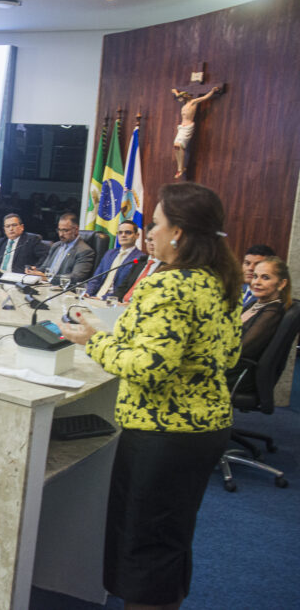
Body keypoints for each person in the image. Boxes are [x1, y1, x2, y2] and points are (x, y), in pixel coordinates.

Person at [58, 182, 241, 610]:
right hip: (205, 428)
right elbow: (225, 353)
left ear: (178, 231)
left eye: (155, 224)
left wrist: (91, 343)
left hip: (163, 433)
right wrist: (107, 329)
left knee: (144, 550)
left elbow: (149, 367)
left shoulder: (169, 285)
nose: (148, 233)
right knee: (169, 540)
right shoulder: (219, 279)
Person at [228, 257, 291, 395]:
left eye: (265, 278)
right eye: (255, 276)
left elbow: (243, 349)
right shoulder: (255, 304)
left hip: (237, 373)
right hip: (230, 364)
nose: (256, 282)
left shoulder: (272, 313)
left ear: (281, 283)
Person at [26, 212, 96, 284]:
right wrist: (34, 271)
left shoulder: (84, 251)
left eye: (65, 230)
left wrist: (48, 278)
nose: (61, 234)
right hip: (45, 285)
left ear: (76, 230)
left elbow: (76, 277)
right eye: (59, 230)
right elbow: (45, 267)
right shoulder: (56, 246)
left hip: (64, 290)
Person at [83, 221, 145, 298]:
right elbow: (96, 278)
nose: (123, 235)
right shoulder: (110, 253)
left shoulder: (140, 259)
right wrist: (87, 293)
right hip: (94, 297)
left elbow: (126, 289)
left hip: (113, 301)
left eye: (128, 232)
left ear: (137, 235)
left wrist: (102, 298)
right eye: (120, 232)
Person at [171, 85, 222, 179]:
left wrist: (212, 90)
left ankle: (180, 169)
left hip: (187, 128)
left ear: (185, 96)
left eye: (181, 98)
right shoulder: (184, 104)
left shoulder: (193, 102)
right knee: (175, 146)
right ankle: (180, 168)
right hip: (181, 127)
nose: (180, 99)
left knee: (178, 145)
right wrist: (174, 91)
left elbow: (205, 97)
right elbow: (178, 95)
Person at [114, 223, 162, 303]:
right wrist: (113, 301)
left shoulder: (166, 267)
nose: (151, 244)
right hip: (120, 306)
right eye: (149, 240)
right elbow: (123, 287)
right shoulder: (140, 261)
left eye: (156, 240)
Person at [240, 244, 275, 309]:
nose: (250, 268)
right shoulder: (234, 290)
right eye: (247, 263)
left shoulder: (269, 299)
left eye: (258, 264)